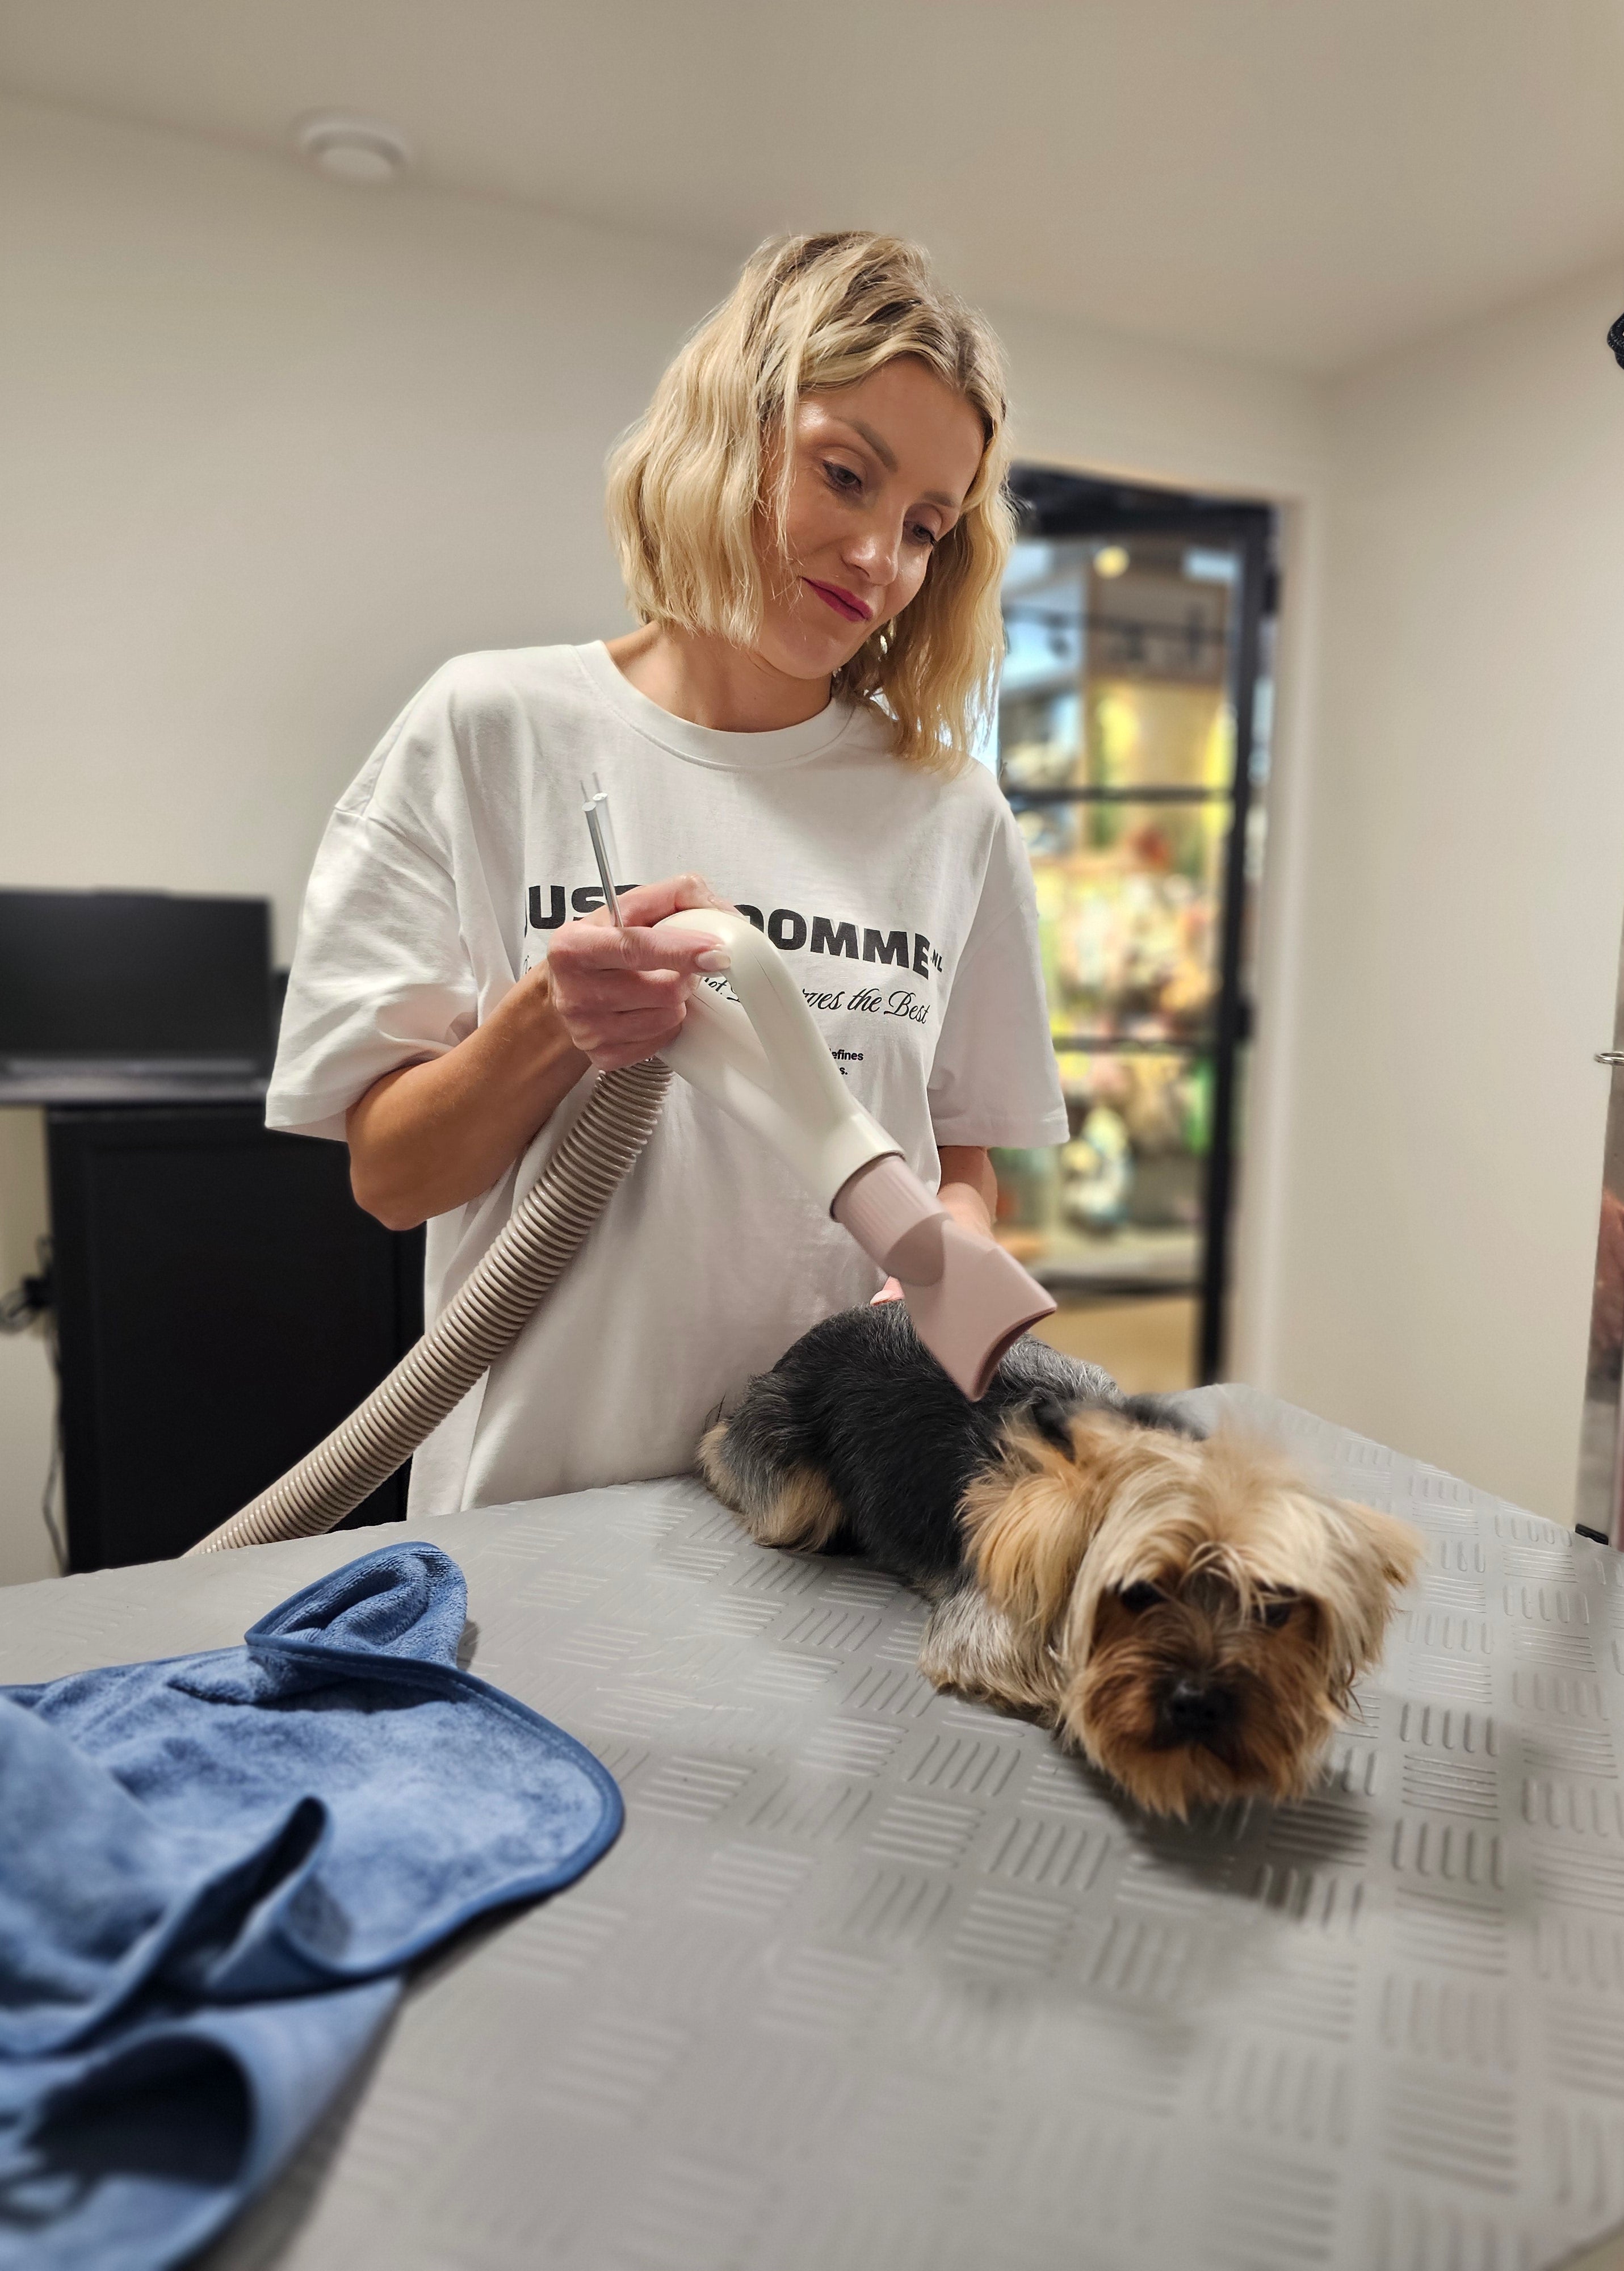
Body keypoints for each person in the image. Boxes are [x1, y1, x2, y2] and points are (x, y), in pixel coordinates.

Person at [267, 232, 1068, 1514]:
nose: (880, 558)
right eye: (846, 476)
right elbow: (391, 1177)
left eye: (927, 525)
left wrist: (955, 1240)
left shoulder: (950, 811)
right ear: (729, 434)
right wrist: (552, 1020)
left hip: (826, 1516)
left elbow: (964, 1154)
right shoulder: (493, 727)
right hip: (533, 1522)